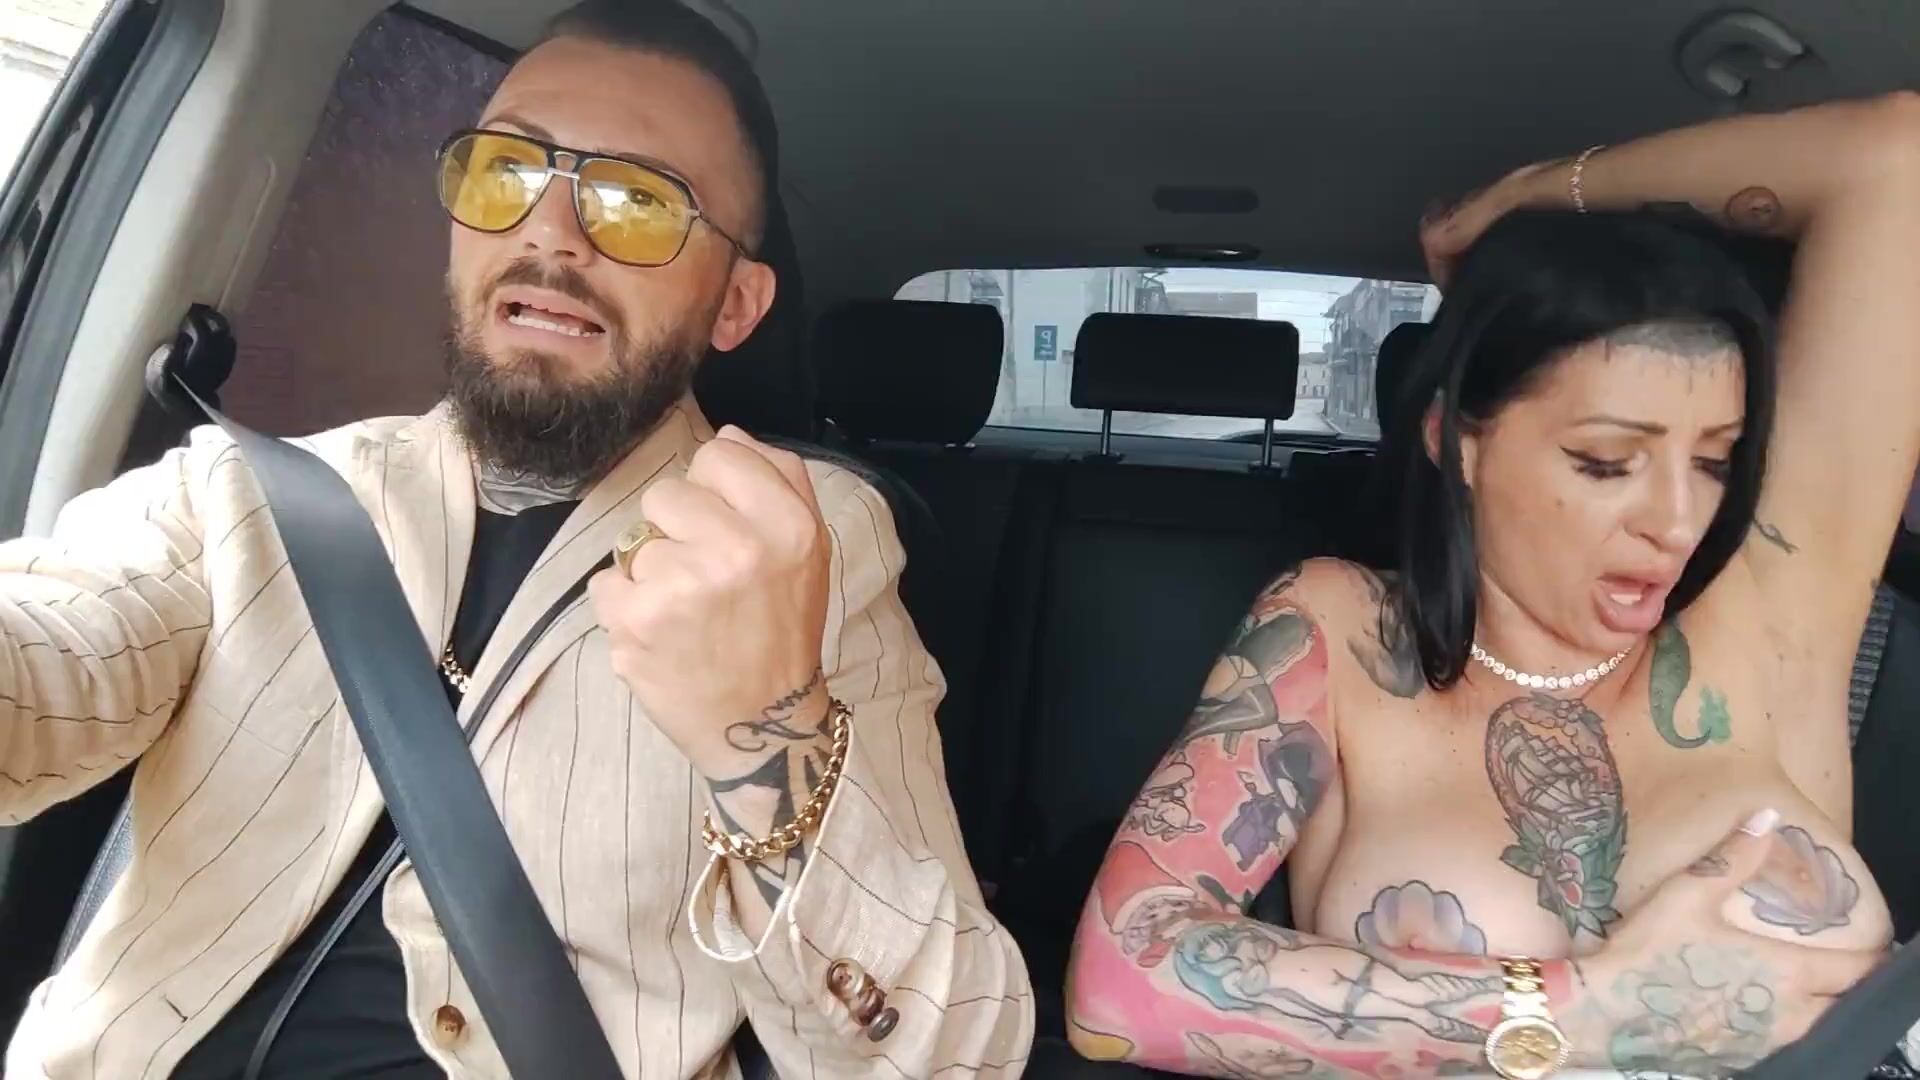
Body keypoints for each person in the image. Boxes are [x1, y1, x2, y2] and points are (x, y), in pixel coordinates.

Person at [1, 3, 1033, 1076]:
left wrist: (764, 739)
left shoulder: (808, 547)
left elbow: (952, 1052)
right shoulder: (241, 493)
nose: (550, 232)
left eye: (637, 201)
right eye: (507, 171)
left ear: (735, 304)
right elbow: (54, 645)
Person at [1067, 92, 1920, 1078]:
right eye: (1605, 462)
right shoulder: (1342, 634)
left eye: (1715, 461)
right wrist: (1578, 1007)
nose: (1679, 522)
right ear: (1456, 441)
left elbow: (1896, 157)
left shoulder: (1769, 598)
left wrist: (1532, 196)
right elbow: (1117, 989)